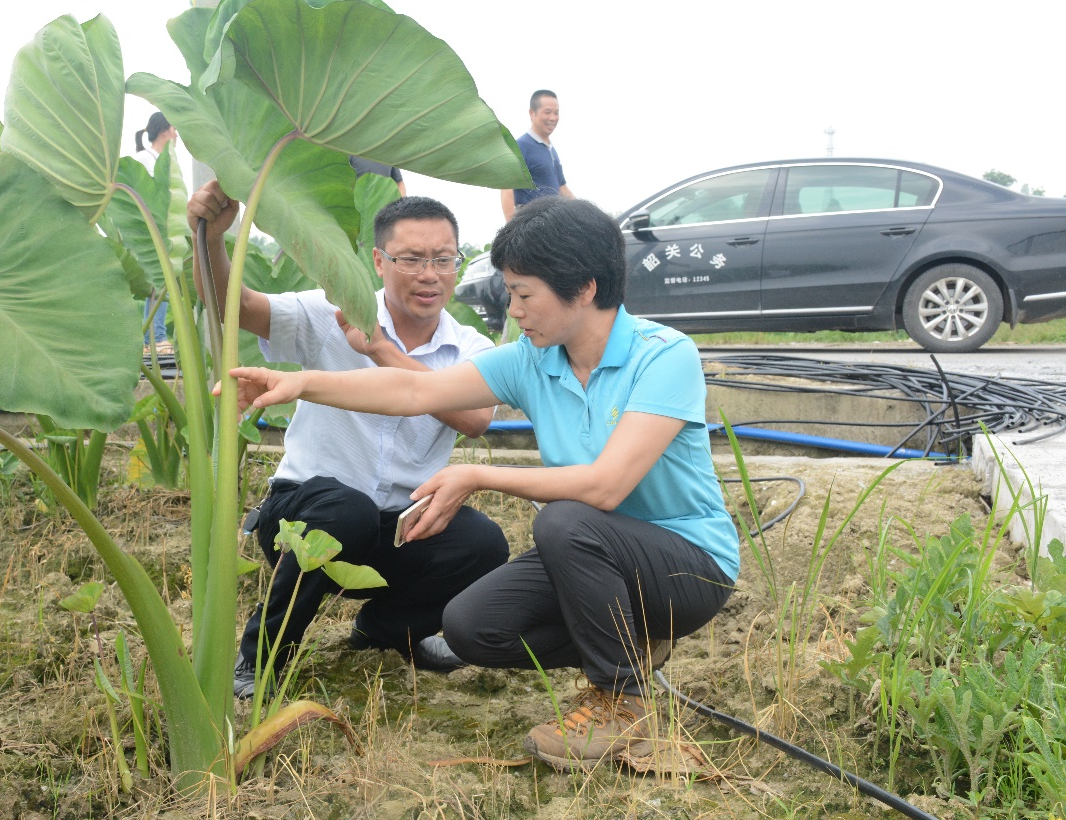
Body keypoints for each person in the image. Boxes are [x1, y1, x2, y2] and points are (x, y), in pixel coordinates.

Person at [223, 196, 740, 770]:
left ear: (584, 288)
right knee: (471, 628)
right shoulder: (532, 359)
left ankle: (621, 704)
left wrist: (477, 475)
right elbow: (416, 392)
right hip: (598, 559)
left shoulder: (663, 356)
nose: (513, 310)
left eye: (523, 294)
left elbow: (606, 487)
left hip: (686, 565)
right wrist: (298, 383)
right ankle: (631, 648)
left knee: (565, 520)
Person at [187, 181, 510, 700]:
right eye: (411, 259)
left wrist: (380, 349)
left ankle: (386, 629)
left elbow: (475, 418)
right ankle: (261, 658)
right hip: (305, 514)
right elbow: (238, 307)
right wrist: (212, 242)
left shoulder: (467, 344)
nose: (430, 275)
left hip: (403, 523)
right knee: (347, 510)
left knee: (484, 545)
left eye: (443, 259)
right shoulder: (327, 311)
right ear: (379, 262)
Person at [134, 113, 178, 356]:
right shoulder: (145, 159)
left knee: (162, 283)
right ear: (163, 131)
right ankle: (155, 338)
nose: (176, 134)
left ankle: (152, 338)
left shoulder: (164, 160)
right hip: (150, 230)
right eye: (174, 128)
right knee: (159, 283)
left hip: (165, 230)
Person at [501, 90, 575, 222]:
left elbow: (562, 188)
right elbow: (507, 188)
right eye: (547, 112)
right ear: (532, 113)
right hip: (532, 224)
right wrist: (511, 230)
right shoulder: (521, 146)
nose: (553, 118)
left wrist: (586, 212)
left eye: (556, 113)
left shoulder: (551, 150)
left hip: (554, 222)